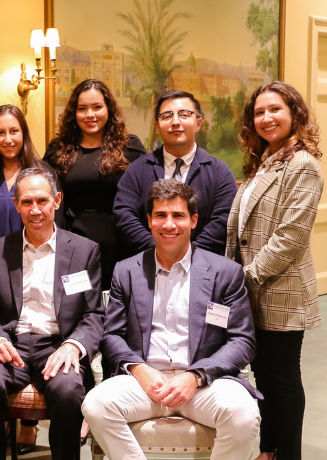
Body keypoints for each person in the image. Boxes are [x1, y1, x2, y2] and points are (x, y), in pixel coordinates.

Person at [83, 179, 261, 460]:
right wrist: (139, 370)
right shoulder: (126, 271)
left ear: (193, 220)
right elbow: (111, 335)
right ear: (149, 220)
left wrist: (196, 376)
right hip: (145, 383)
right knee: (95, 404)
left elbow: (242, 341)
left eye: (178, 215)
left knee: (243, 414)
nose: (169, 224)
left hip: (204, 384)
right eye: (160, 215)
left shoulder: (225, 273)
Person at [0, 167, 103, 460]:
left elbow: (93, 315)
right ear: (16, 205)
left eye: (42, 200)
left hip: (56, 345)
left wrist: (73, 345)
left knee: (68, 392)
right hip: (11, 345)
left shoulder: (83, 251)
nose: (35, 209)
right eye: (26, 202)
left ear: (57, 200)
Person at [225, 81, 323, 460]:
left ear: (294, 114)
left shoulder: (302, 165)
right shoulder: (264, 160)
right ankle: (268, 449)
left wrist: (240, 280)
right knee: (263, 374)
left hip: (280, 289)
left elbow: (289, 238)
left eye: (275, 110)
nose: (266, 118)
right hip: (254, 290)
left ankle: (288, 453)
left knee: (281, 378)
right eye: (259, 112)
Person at [0, 104, 63, 453]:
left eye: (14, 131)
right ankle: (2, 418)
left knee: (36, 317)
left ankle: (30, 426)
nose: (8, 139)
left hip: (36, 261)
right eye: (0, 132)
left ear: (24, 134)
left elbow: (56, 228)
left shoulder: (41, 174)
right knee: (4, 331)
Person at [43, 79, 147, 289]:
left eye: (97, 107)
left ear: (108, 109)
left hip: (122, 245)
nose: (90, 115)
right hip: (73, 245)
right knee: (77, 304)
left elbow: (145, 200)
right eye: (82, 109)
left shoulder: (131, 149)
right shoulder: (58, 150)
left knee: (119, 307)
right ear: (74, 113)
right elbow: (49, 199)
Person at [114, 90, 237, 259]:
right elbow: (124, 215)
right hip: (148, 265)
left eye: (184, 114)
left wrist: (189, 256)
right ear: (157, 126)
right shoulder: (137, 169)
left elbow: (223, 221)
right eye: (167, 116)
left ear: (198, 123)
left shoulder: (220, 172)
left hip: (203, 268)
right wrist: (159, 253)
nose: (175, 122)